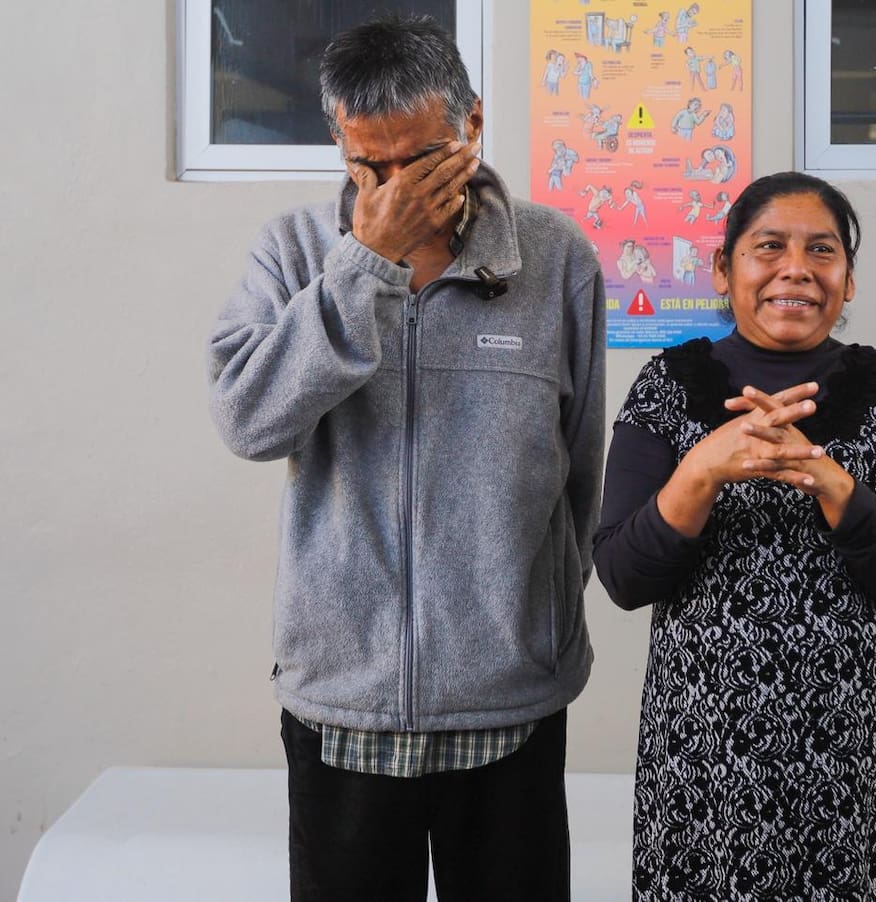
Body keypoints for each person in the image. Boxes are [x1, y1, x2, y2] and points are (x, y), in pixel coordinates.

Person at [206, 16, 606, 902]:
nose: (394, 187)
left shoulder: (557, 259)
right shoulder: (294, 252)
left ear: (471, 124)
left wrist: (534, 619)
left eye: (419, 161)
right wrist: (367, 264)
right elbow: (247, 420)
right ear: (339, 141)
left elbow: (582, 469)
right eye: (366, 166)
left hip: (510, 697)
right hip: (342, 694)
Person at [594, 172, 876, 900]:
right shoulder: (669, 386)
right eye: (769, 247)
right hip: (704, 756)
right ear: (724, 270)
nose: (796, 268)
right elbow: (624, 579)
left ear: (847, 280)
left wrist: (836, 487)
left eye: (822, 251)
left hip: (854, 754)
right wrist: (702, 470)